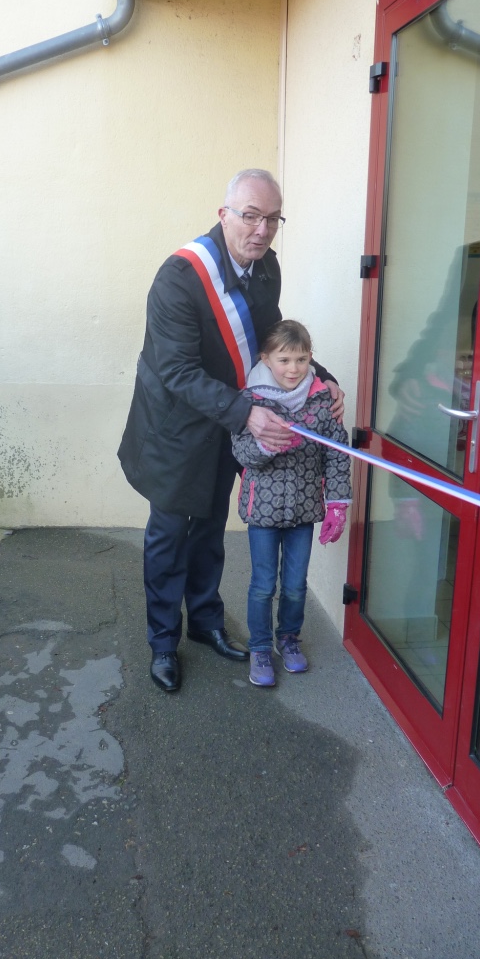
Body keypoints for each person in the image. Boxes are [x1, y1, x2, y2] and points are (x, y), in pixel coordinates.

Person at [118, 169, 344, 693]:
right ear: (224, 215)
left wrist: (321, 378)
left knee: (211, 529)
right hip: (177, 429)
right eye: (250, 216)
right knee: (169, 538)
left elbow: (271, 339)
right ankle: (161, 643)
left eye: (272, 219)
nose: (261, 230)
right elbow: (176, 371)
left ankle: (205, 622)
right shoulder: (179, 277)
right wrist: (247, 415)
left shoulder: (266, 270)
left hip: (228, 425)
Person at [231, 320, 352, 687]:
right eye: (284, 359)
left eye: (301, 359)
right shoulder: (250, 401)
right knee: (263, 584)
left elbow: (337, 453)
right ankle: (261, 647)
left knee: (296, 584)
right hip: (263, 511)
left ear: (310, 358)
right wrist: (267, 444)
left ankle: (289, 639)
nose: (293, 369)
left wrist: (337, 502)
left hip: (303, 509)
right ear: (266, 359)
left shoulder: (320, 400)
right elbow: (241, 451)